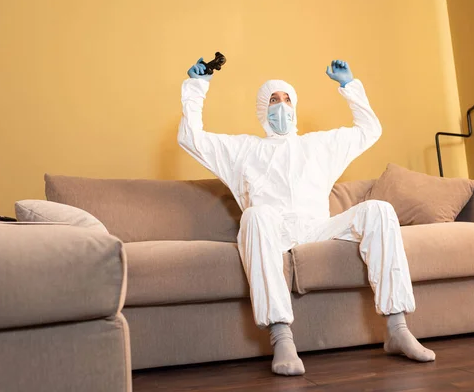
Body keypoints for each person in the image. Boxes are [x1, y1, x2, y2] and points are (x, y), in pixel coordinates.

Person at [178, 57, 436, 376]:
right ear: (262, 108)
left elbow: (369, 130)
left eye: (287, 99)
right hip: (272, 233)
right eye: (274, 100)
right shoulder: (241, 151)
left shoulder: (319, 146)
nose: (282, 106)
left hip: (318, 230)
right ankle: (282, 338)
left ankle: (397, 329)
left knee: (379, 210)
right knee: (255, 216)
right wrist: (197, 87)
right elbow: (191, 139)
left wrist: (348, 86)